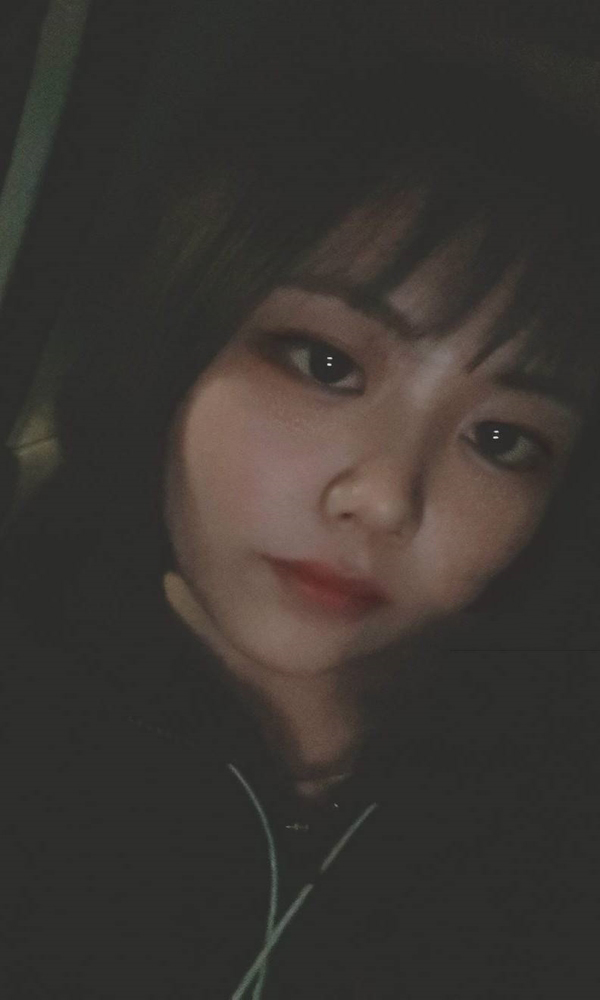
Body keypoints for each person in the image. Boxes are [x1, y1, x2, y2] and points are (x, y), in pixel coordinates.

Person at [3, 48, 600, 999]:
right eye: (327, 365)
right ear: (181, 340)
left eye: (501, 439)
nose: (386, 498)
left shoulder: (548, 804)